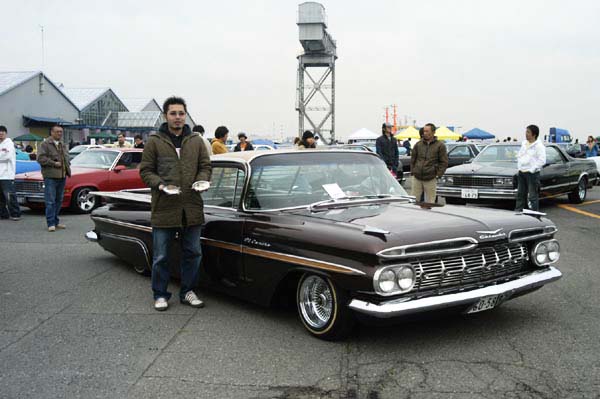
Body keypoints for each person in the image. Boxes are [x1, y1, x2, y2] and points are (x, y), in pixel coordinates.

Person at [139, 96, 211, 311]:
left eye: (181, 113)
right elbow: (145, 171)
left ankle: (187, 291)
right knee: (161, 255)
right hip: (164, 207)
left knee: (193, 252)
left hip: (191, 207)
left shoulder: (196, 140)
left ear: (185, 115)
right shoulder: (155, 141)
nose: (178, 117)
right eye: (173, 113)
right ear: (165, 115)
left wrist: (202, 179)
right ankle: (160, 294)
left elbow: (206, 166)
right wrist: (161, 185)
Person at [37, 124, 71, 232]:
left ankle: (56, 221)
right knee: (50, 201)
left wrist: (67, 166)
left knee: (59, 200)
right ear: (51, 132)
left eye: (61, 132)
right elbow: (40, 158)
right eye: (57, 131)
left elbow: (66, 158)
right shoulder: (45, 144)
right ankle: (50, 223)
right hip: (50, 176)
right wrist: (53, 163)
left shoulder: (63, 144)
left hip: (62, 176)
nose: (59, 133)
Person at [410, 123, 448, 203]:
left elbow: (444, 162)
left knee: (430, 203)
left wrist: (438, 174)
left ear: (433, 132)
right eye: (424, 131)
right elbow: (413, 159)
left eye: (427, 131)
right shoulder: (418, 144)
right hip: (417, 177)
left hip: (431, 177)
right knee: (413, 202)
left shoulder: (440, 145)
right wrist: (413, 171)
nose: (425, 133)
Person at [515, 125, 546, 212]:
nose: (526, 134)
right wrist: (519, 166)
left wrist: (532, 169)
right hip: (522, 172)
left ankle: (534, 215)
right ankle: (518, 213)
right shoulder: (524, 143)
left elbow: (542, 160)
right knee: (520, 194)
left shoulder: (539, 146)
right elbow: (520, 155)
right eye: (526, 132)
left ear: (534, 134)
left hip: (532, 174)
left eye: (528, 132)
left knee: (532, 196)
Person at [0, 126, 21, 221]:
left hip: (7, 174)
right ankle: (3, 213)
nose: (0, 135)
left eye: (2, 133)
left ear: (6, 133)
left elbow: (6, 156)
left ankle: (15, 213)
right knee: (0, 197)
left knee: (9, 195)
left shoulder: (9, 144)